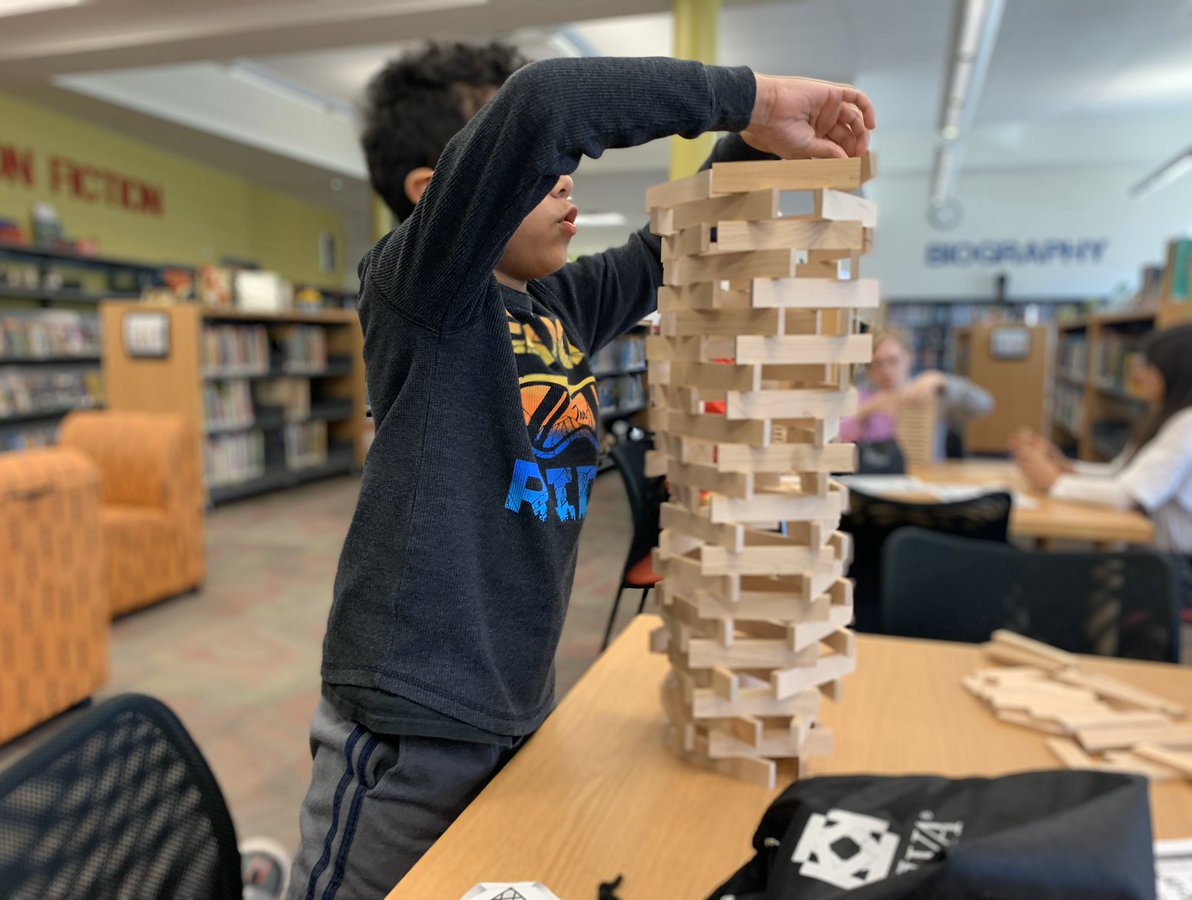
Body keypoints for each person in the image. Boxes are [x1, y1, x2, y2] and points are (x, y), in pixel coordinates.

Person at [289, 42, 876, 898]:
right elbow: (548, 103)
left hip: (512, 700)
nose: (566, 181)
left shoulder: (557, 305)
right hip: (409, 725)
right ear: (437, 197)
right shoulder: (423, 293)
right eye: (539, 171)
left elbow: (666, 245)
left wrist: (757, 148)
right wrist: (750, 98)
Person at [1012, 323, 1192, 603]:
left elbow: (1129, 495)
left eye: (1149, 367)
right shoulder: (1166, 416)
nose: (1139, 375)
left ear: (1176, 372)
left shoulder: (1186, 425)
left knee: (1058, 584)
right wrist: (1065, 466)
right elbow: (1121, 473)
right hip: (1153, 554)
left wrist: (1055, 481)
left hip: (1175, 566)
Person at [839, 326, 993, 462]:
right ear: (868, 369)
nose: (886, 371)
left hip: (926, 477)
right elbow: (839, 442)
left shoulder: (929, 394)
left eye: (893, 360)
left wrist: (942, 380)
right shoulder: (859, 399)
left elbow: (984, 404)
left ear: (909, 357)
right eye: (877, 364)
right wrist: (866, 410)